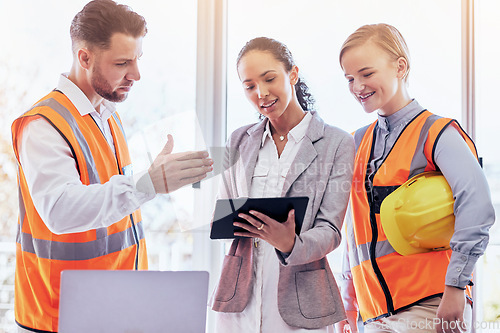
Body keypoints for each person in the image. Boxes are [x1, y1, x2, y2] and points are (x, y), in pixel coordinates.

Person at [11, 1, 213, 331]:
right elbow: (61, 212)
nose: (136, 74)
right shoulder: (43, 125)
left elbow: (113, 208)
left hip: (112, 307)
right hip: (59, 316)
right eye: (122, 63)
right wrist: (150, 184)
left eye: (137, 60)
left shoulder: (107, 115)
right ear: (85, 57)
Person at [336, 23, 495, 333]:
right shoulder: (356, 142)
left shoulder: (438, 134)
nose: (357, 86)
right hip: (373, 311)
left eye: (367, 74)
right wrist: (348, 300)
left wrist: (456, 287)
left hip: (429, 304)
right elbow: (355, 229)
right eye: (350, 78)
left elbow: (477, 209)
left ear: (400, 67)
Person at [210, 37, 354, 332]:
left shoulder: (337, 143)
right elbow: (224, 214)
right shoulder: (238, 140)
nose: (261, 93)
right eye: (249, 86)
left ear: (293, 74)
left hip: (302, 303)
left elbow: (331, 230)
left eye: (269, 78)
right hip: (239, 297)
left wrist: (290, 243)